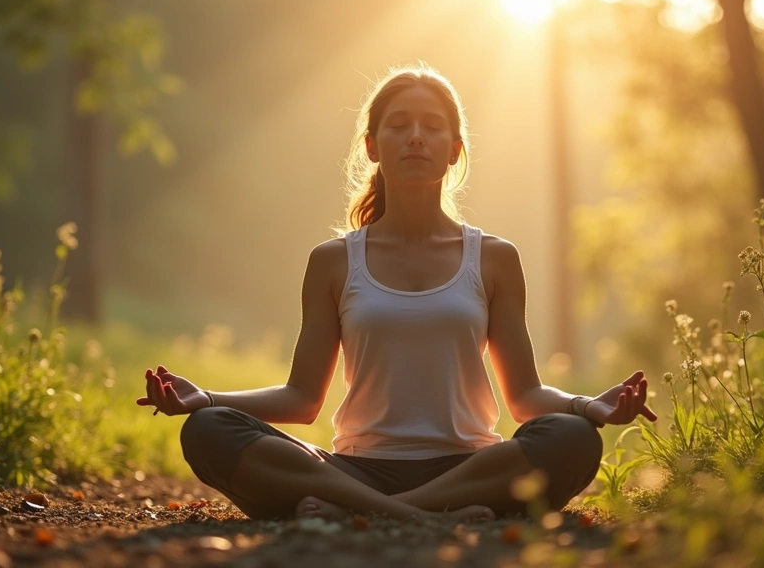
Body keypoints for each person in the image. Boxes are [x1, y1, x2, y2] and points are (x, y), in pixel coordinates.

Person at [136, 64, 657, 522]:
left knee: (572, 438)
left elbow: (524, 399)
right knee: (208, 429)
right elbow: (302, 399)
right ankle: (429, 516)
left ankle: (368, 511)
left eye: (432, 128)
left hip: (469, 466)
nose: (415, 138)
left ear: (454, 151)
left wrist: (590, 406)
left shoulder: (494, 257)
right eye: (399, 126)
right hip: (356, 469)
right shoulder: (334, 261)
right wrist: (204, 398)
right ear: (371, 145)